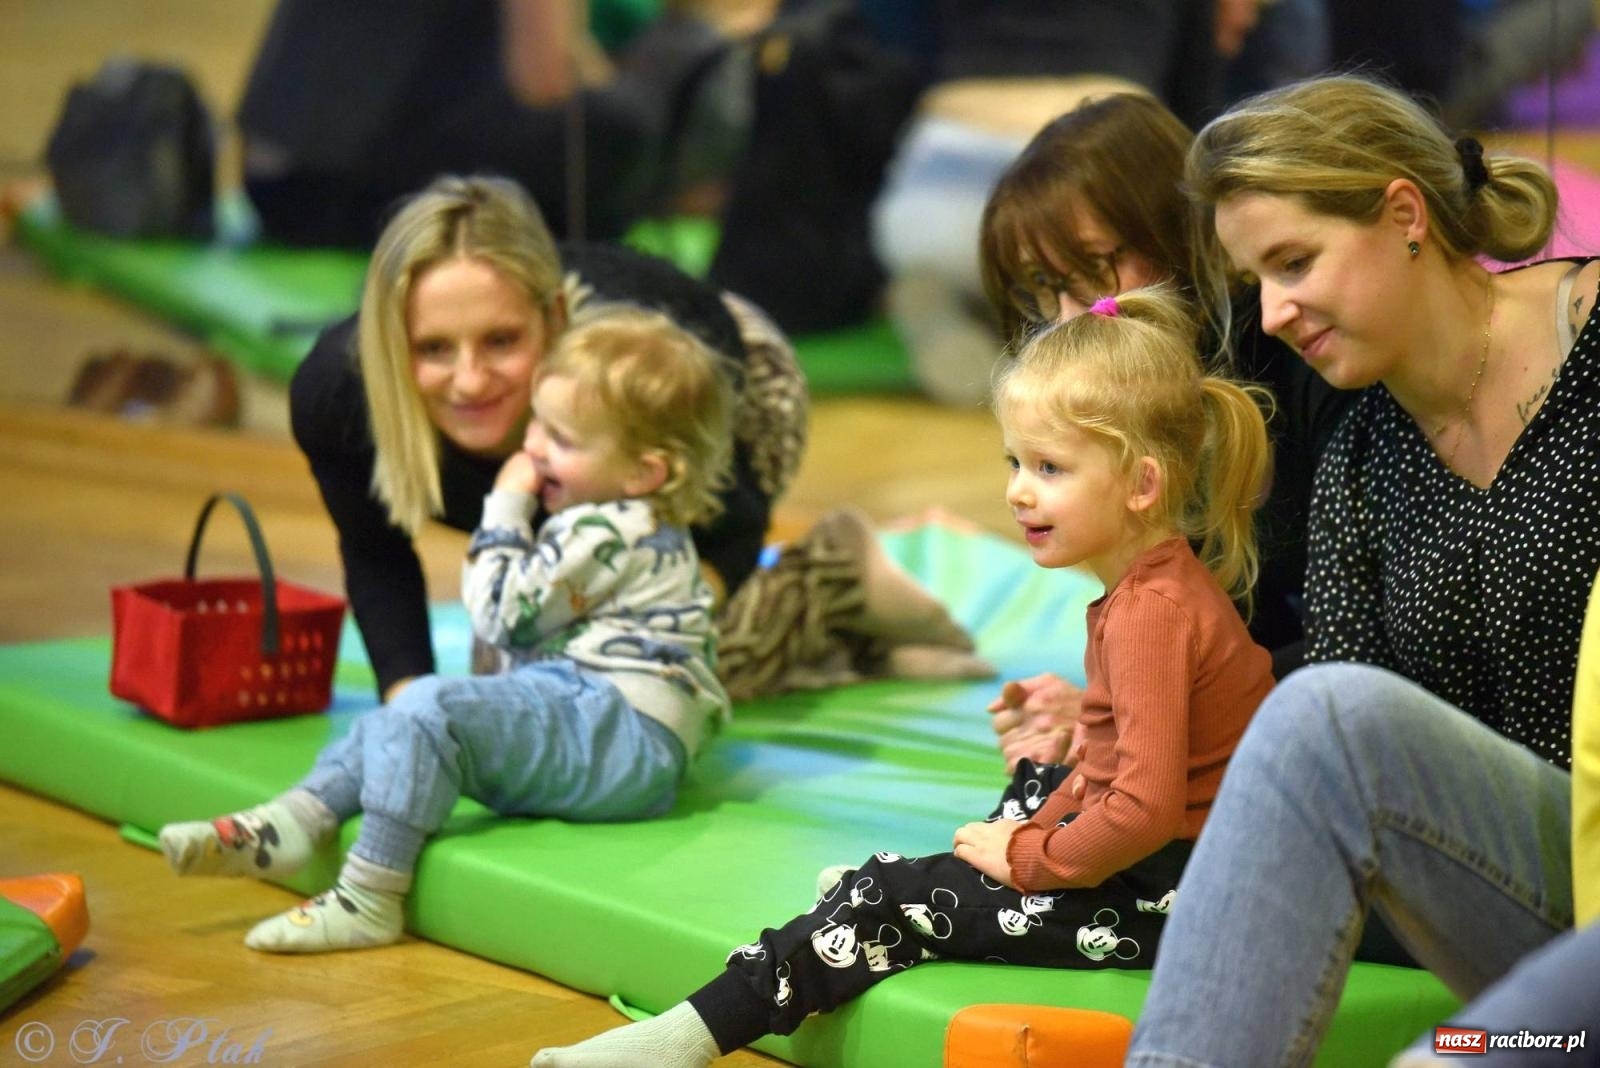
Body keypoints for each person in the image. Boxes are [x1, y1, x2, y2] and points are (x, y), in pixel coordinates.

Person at [529, 285, 1277, 1068]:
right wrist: (1035, 825)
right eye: (1015, 461)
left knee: (886, 894)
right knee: (1035, 787)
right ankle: (922, 894)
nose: (1019, 489)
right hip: (1176, 870)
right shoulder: (1139, 591)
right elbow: (1101, 762)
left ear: (1142, 484)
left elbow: (1146, 805)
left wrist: (1028, 859)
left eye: (1051, 467)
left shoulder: (1149, 614)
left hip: (1181, 900)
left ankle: (685, 1037)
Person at [1124, 73, 1600, 1066]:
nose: (1275, 311)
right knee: (1322, 715)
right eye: (1255, 280)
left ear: (1402, 213)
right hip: (1554, 921)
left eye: (1293, 262)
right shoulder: (1358, 465)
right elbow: (1353, 788)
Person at [287, 174, 988, 712]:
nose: (470, 380)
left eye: (502, 340)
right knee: (513, 687)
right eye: (433, 348)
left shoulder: (620, 381)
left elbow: (731, 521)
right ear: (387, 344)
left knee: (644, 681)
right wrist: (409, 705)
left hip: (719, 377)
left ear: (553, 318)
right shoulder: (336, 396)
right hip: (579, 445)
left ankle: (830, 577)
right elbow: (376, 553)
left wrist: (663, 643)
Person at [157, 305, 737, 953]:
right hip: (610, 727)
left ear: (643, 474)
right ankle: (294, 819)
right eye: (538, 424)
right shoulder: (624, 520)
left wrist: (506, 503)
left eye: (563, 441)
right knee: (402, 717)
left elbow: (497, 612)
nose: (533, 449)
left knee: (431, 703)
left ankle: (370, 895)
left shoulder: (608, 530)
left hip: (621, 732)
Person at [975, 92, 1356, 770]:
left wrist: (1135, 714)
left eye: (1094, 267)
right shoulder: (1139, 399)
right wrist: (1114, 706)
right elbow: (1221, 632)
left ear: (1178, 233)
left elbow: (1357, 657)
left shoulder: (1307, 365)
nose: (1070, 314)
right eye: (1040, 285)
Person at [870, 0, 1241, 407]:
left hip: (936, 179)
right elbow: (1196, 86)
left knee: (1049, 297)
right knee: (1086, 305)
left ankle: (979, 300)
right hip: (1104, 153)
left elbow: (889, 44)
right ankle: (1027, 322)